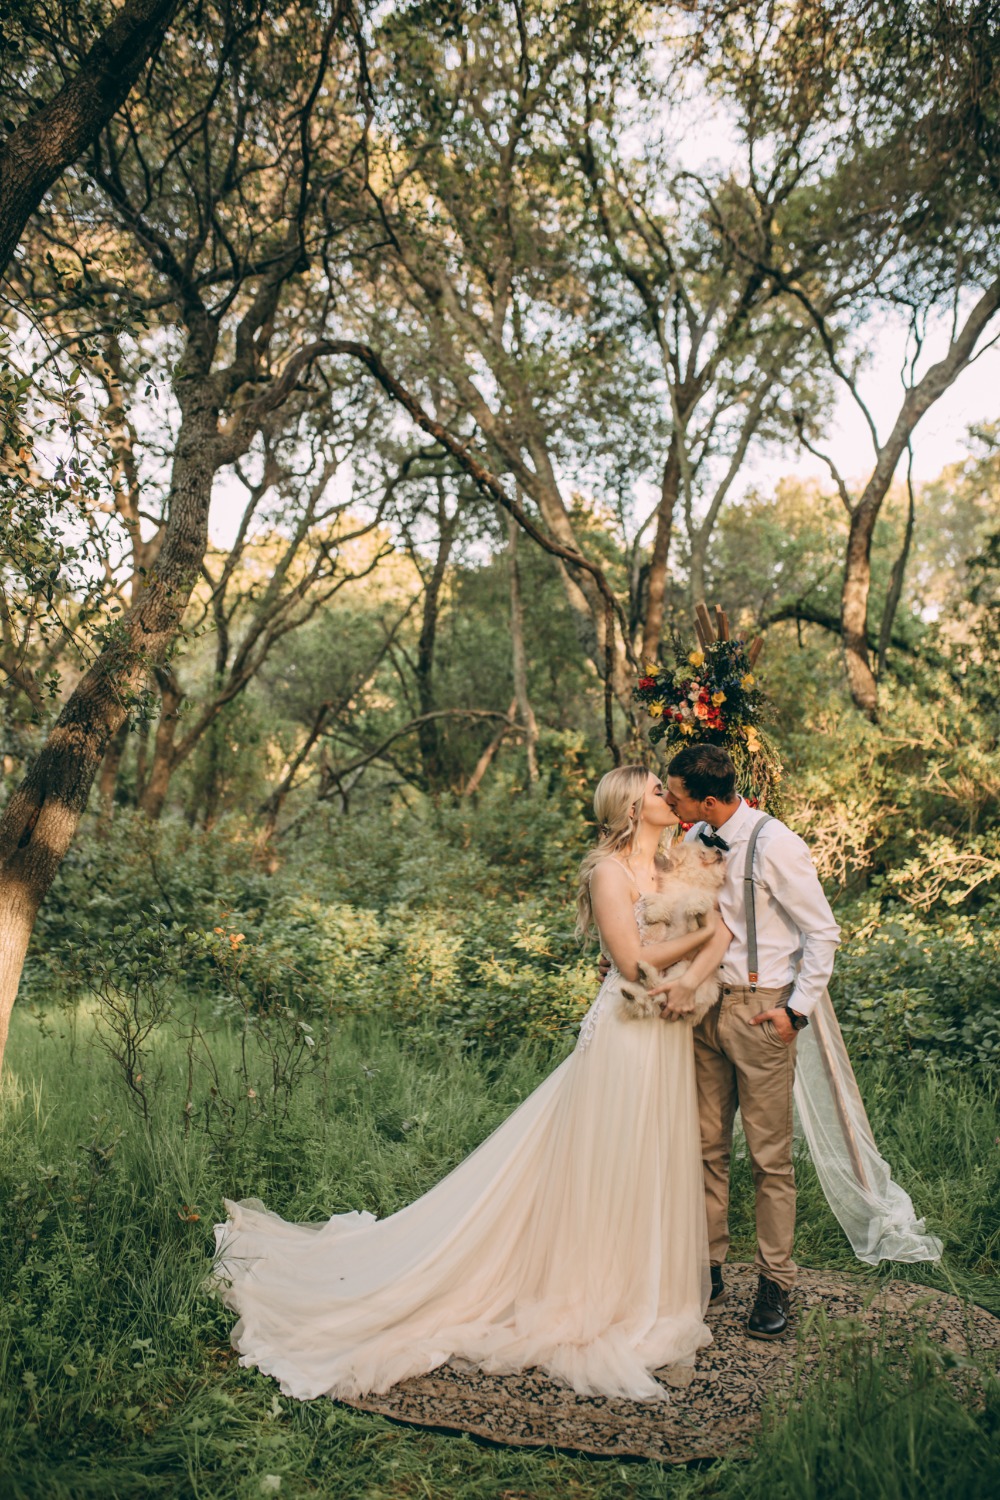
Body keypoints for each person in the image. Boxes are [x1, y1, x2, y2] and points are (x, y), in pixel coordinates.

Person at [213, 766, 720, 1404]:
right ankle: (585, 1287)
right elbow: (630, 961)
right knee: (606, 1156)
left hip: (667, 1030)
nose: (668, 798)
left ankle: (640, 1285)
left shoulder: (676, 866)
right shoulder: (608, 874)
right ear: (627, 805)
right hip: (624, 1027)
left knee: (649, 1155)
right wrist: (712, 932)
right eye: (655, 791)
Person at [654, 743, 841, 1340]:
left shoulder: (777, 844)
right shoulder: (692, 839)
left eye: (676, 794)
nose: (669, 801)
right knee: (705, 1148)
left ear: (707, 798)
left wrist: (796, 1012)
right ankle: (708, 1269)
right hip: (704, 1011)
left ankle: (774, 1282)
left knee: (769, 1159)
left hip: (761, 1013)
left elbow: (823, 933)